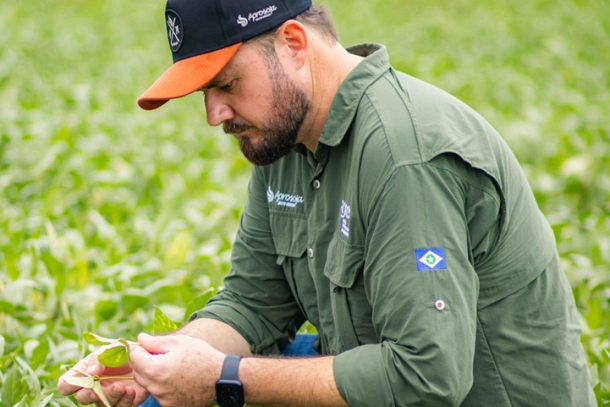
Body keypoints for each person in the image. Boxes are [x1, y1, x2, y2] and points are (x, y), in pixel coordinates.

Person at [58, 0, 596, 406]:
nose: (214, 114)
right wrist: (151, 364)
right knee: (165, 394)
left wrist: (225, 378)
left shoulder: (404, 156)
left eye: (226, 84)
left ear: (293, 43)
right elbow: (252, 302)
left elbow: (427, 378)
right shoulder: (283, 139)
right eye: (204, 94)